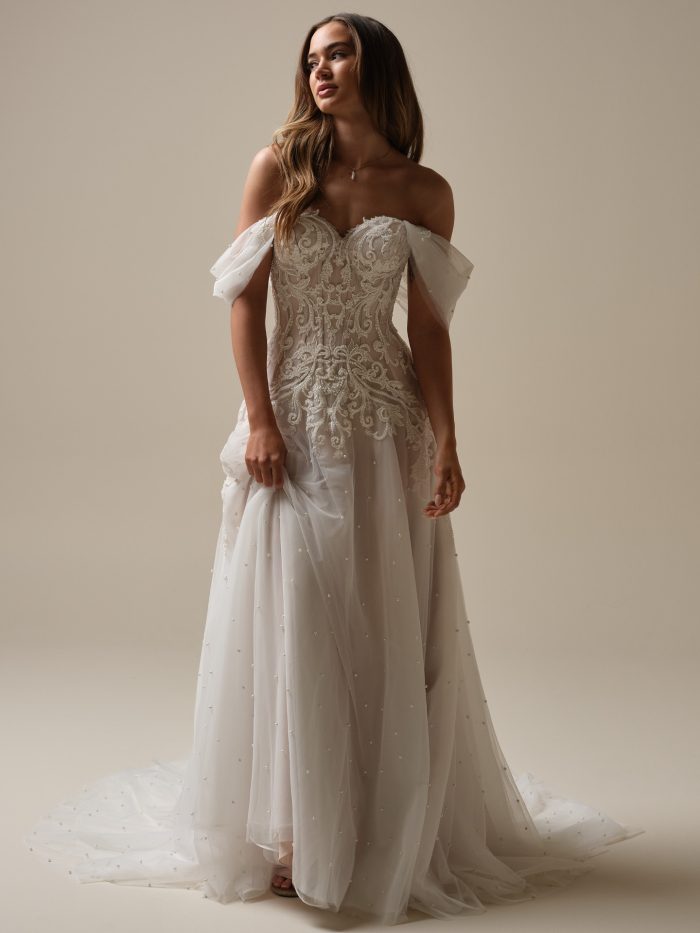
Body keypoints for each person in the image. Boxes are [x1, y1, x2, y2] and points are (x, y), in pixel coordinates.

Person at [23, 12, 644, 925]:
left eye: (339, 52)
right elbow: (242, 300)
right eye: (312, 57)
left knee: (381, 616)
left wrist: (448, 439)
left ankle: (372, 818)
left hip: (385, 420)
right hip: (296, 417)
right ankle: (290, 833)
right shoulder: (280, 166)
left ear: (376, 65)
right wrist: (262, 419)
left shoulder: (426, 191)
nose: (321, 69)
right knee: (295, 612)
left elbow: (429, 329)